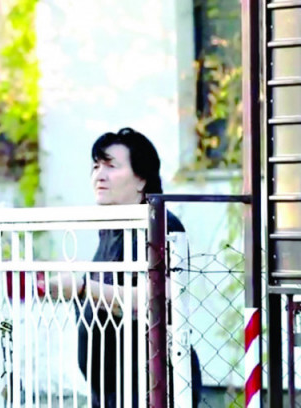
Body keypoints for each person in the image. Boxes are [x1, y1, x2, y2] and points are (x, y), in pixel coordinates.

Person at [41, 128, 201, 407]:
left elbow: (158, 297)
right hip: (110, 391)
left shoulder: (160, 226)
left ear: (141, 179)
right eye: (95, 166)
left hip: (153, 387)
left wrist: (83, 288)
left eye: (111, 166)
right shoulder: (110, 229)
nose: (99, 175)